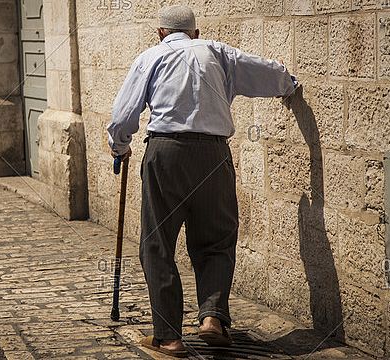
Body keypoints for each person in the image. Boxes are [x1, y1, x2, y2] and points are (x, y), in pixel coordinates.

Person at [107, 4, 298, 357]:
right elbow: (265, 72)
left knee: (158, 243)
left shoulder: (150, 57)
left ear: (160, 33)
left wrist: (120, 147)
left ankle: (169, 336)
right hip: (213, 155)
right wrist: (289, 84)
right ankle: (212, 317)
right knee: (216, 239)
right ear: (196, 32)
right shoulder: (217, 51)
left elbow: (123, 116)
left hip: (166, 154)